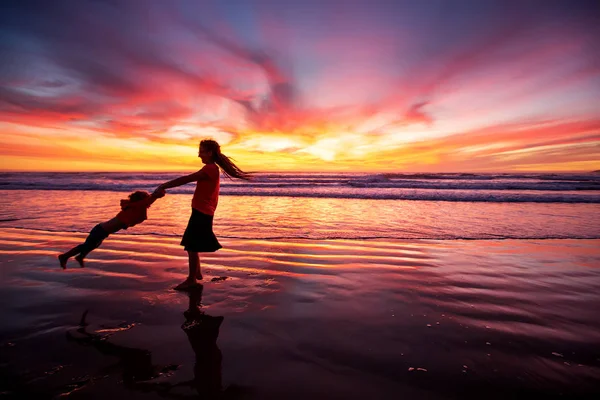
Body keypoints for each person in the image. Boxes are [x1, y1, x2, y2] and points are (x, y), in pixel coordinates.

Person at [154, 139, 251, 291]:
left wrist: (164, 185)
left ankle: (192, 279)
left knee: (191, 244)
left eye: (201, 151)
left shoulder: (210, 169)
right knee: (192, 243)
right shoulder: (211, 168)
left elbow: (186, 178)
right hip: (202, 210)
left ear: (209, 153)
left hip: (202, 211)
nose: (199, 154)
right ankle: (196, 272)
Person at [58, 190, 165, 269]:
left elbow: (148, 202)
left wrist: (157, 195)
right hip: (100, 230)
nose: (147, 201)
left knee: (94, 245)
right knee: (87, 245)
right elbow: (147, 201)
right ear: (141, 200)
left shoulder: (138, 207)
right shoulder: (134, 206)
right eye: (145, 198)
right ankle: (64, 256)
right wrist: (156, 195)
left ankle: (80, 257)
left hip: (103, 231)